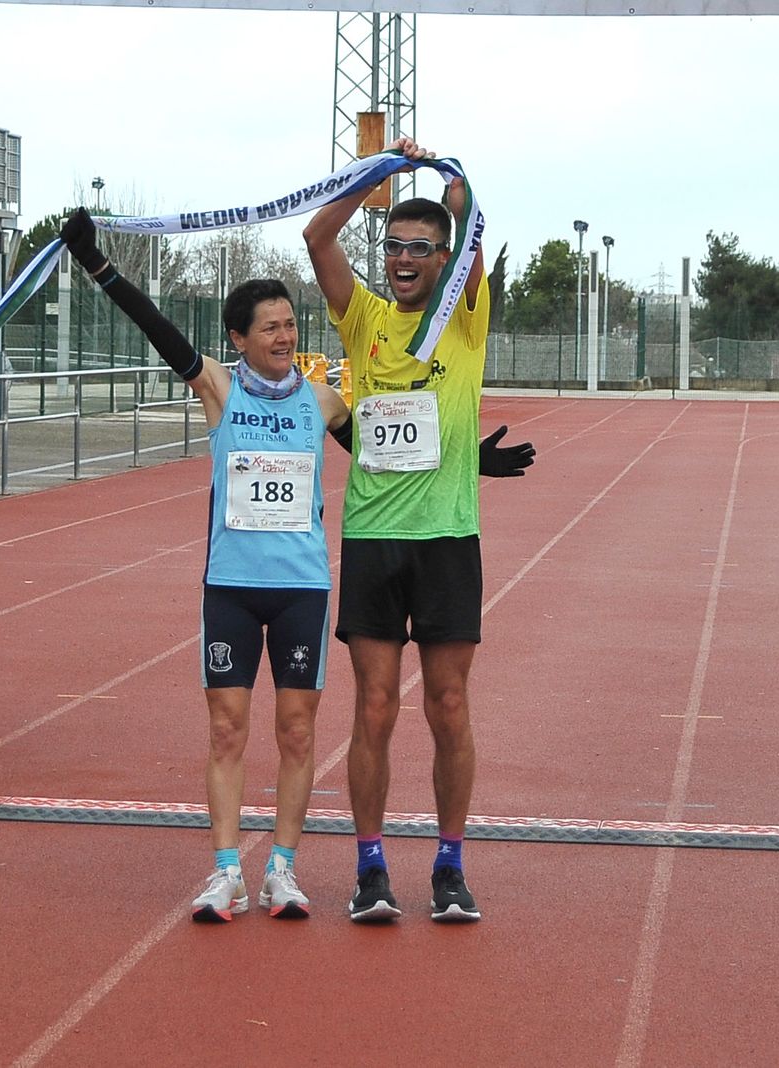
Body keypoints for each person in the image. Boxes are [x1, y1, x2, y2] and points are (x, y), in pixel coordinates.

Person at [59, 207, 350, 922]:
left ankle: (282, 868)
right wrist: (99, 267)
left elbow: (390, 459)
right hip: (230, 586)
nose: (285, 336)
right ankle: (227, 872)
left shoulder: (324, 400)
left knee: (297, 730)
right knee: (226, 729)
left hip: (302, 590)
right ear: (239, 338)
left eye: (290, 324)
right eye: (271, 326)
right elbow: (158, 330)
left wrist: (478, 465)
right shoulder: (221, 388)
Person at [304, 138, 493, 923]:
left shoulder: (465, 315)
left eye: (420, 249)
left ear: (444, 258)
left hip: (448, 537)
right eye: (393, 247)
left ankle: (449, 865)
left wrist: (447, 173)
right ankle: (370, 867)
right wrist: (372, 176)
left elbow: (470, 222)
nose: (403, 259)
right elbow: (316, 239)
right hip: (375, 539)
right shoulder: (364, 319)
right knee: (374, 707)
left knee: (447, 705)